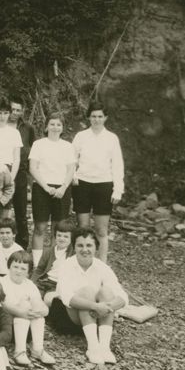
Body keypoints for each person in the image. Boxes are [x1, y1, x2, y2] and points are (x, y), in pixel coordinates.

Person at [56, 227, 127, 364]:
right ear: (74, 247)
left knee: (107, 292)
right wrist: (96, 306)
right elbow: (67, 297)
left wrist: (108, 307)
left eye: (89, 245)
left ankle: (104, 347)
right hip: (71, 316)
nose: (84, 249)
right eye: (80, 245)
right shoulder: (66, 266)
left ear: (96, 248)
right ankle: (93, 348)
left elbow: (122, 295)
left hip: (98, 316)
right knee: (87, 291)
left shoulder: (102, 267)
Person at [72, 102, 125, 261]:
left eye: (100, 116)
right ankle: (81, 261)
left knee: (101, 230)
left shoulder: (112, 138)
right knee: (83, 228)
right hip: (82, 184)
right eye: (93, 116)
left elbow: (117, 164)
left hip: (104, 185)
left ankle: (101, 266)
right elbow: (72, 159)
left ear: (105, 118)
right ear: (89, 117)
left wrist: (118, 189)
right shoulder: (81, 136)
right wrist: (73, 175)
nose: (96, 119)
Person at [29, 114, 76, 255]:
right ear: (46, 126)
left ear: (62, 128)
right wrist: (46, 187)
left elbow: (71, 169)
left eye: (58, 125)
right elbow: (33, 168)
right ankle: (38, 264)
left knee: (59, 228)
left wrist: (63, 188)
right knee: (40, 227)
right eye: (52, 124)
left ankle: (54, 263)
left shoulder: (68, 146)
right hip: (42, 188)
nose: (55, 127)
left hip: (62, 189)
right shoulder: (39, 144)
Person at [0, 250, 53, 367]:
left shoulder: (29, 284)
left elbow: (43, 307)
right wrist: (22, 312)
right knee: (24, 305)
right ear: (9, 266)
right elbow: (2, 304)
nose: (18, 271)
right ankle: (19, 351)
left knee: (33, 308)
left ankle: (38, 350)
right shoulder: (2, 282)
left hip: (26, 328)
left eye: (23, 269)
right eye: (15, 267)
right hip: (7, 327)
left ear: (28, 271)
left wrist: (37, 312)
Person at [9, 97, 36, 247]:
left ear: (22, 112)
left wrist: (31, 179)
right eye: (12, 109)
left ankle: (22, 244)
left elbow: (33, 151)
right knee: (1, 211)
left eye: (18, 110)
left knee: (21, 211)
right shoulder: (0, 127)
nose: (15, 113)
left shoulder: (27, 129)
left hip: (20, 173)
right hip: (2, 172)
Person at [31, 219, 75, 306]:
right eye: (59, 235)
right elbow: (40, 269)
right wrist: (32, 282)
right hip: (45, 281)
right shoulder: (49, 251)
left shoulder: (73, 254)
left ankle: (46, 313)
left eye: (65, 236)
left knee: (49, 300)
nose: (61, 239)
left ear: (71, 239)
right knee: (33, 296)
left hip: (58, 285)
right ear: (55, 236)